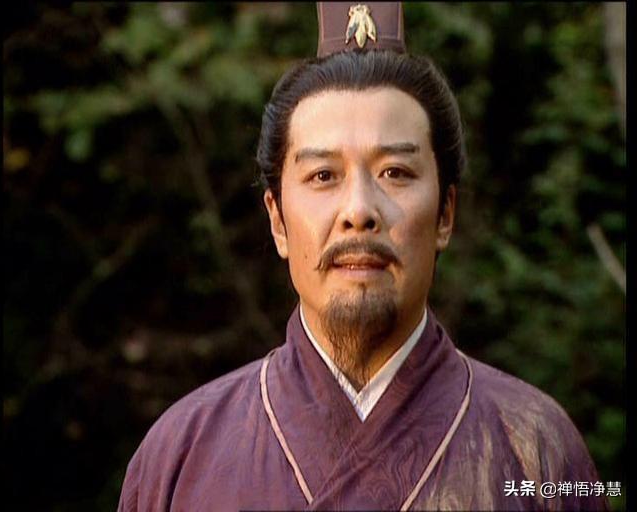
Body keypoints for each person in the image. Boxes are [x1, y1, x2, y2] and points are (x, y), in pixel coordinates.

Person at [118, 3, 607, 511]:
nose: (358, 211)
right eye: (323, 176)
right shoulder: (181, 453)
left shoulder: (541, 452)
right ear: (278, 220)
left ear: (445, 213)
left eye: (395, 172)